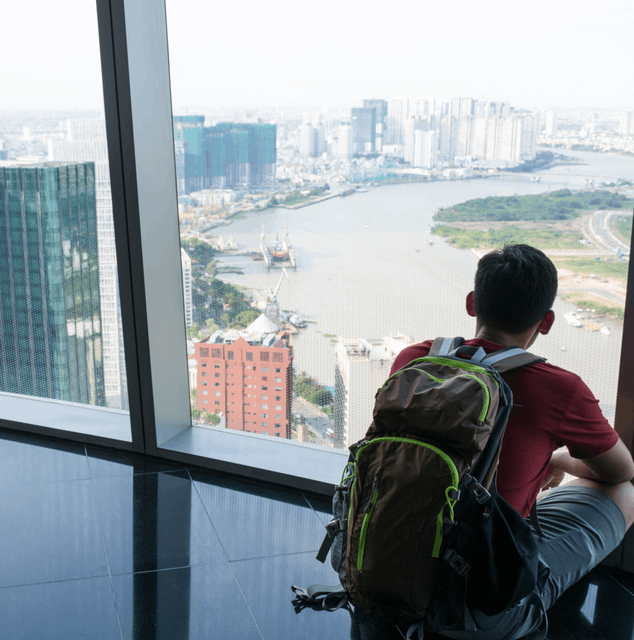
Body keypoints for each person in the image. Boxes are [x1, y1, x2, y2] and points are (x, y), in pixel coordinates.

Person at [382, 244, 634, 640]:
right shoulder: (559, 388)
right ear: (546, 321)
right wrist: (560, 460)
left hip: (383, 568)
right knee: (626, 495)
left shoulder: (414, 361)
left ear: (472, 303)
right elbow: (622, 470)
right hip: (476, 608)